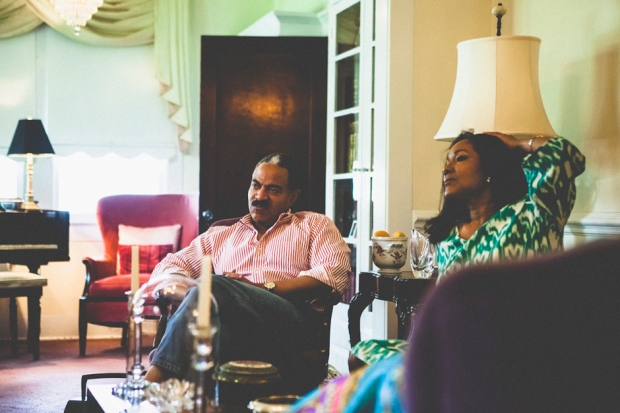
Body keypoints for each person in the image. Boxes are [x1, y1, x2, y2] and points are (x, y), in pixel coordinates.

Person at [349, 132, 585, 368]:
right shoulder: (448, 238)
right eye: (446, 161)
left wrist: (515, 145)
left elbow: (564, 155)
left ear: (490, 167)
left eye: (460, 158)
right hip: (454, 348)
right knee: (361, 355)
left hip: (515, 350)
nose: (446, 169)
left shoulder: (532, 214)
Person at [143, 153, 351, 390]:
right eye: (256, 185)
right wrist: (191, 292)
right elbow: (167, 268)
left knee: (216, 285)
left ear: (292, 196)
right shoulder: (221, 235)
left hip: (287, 319)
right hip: (228, 323)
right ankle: (182, 394)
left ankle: (152, 383)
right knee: (210, 292)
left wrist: (260, 288)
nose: (259, 196)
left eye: (273, 190)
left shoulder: (314, 225)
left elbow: (333, 272)